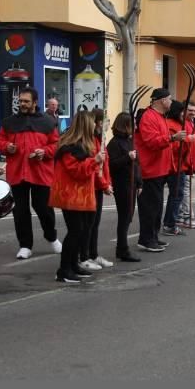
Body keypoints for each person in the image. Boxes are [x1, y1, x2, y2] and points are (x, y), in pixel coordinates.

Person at [0, 87, 61, 260]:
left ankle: (52, 237)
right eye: (20, 101)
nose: (22, 104)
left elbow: (56, 145)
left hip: (40, 172)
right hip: (17, 172)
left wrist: (44, 152)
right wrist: (6, 147)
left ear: (35, 103)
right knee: (20, 211)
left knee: (44, 208)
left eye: (26, 101)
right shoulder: (9, 122)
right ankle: (25, 245)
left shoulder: (48, 122)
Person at [50, 111, 103, 283]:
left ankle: (72, 265)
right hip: (71, 195)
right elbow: (77, 171)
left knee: (80, 231)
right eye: (93, 123)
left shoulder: (80, 145)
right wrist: (94, 161)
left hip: (78, 195)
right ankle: (64, 269)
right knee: (75, 232)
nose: (95, 125)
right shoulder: (71, 147)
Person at [135, 88, 186, 252]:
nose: (171, 102)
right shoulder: (148, 117)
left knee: (156, 206)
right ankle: (146, 239)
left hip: (160, 169)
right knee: (150, 207)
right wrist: (172, 138)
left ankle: (153, 237)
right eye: (169, 99)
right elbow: (151, 142)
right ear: (162, 100)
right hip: (150, 170)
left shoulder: (160, 117)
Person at [79, 108, 113, 271]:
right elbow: (95, 167)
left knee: (94, 223)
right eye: (106, 121)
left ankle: (93, 253)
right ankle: (84, 255)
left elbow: (104, 166)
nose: (108, 125)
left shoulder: (101, 139)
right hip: (92, 187)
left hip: (98, 187)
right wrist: (104, 184)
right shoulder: (91, 142)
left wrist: (107, 182)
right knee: (88, 224)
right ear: (99, 123)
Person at [107, 112, 142, 262]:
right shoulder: (114, 143)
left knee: (128, 216)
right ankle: (122, 249)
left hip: (132, 182)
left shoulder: (129, 141)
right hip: (122, 184)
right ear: (125, 125)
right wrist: (127, 157)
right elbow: (112, 165)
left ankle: (122, 248)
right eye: (132, 124)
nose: (135, 126)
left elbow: (137, 164)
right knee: (125, 216)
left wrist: (139, 182)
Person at [162, 101, 195, 237]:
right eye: (182, 111)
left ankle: (170, 222)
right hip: (174, 166)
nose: (185, 114)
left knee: (177, 195)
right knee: (176, 195)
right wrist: (187, 139)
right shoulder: (171, 124)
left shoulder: (179, 123)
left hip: (180, 165)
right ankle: (169, 224)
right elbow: (173, 146)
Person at [177, 101, 195, 229]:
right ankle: (187, 217)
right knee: (185, 191)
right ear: (183, 111)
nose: (193, 113)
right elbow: (181, 144)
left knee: (184, 191)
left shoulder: (193, 122)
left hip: (190, 164)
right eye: (190, 110)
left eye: (194, 110)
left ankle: (182, 216)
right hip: (184, 164)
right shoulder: (182, 124)